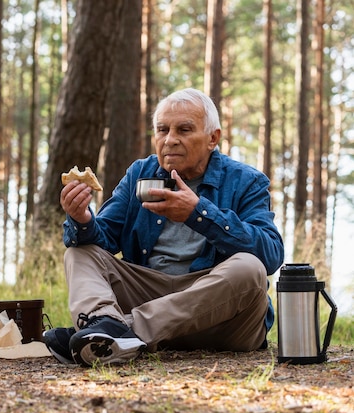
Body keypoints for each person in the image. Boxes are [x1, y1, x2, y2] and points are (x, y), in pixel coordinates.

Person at [43, 88, 284, 366]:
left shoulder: (247, 181)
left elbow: (270, 254)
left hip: (219, 318)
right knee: (79, 252)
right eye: (162, 130)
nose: (170, 140)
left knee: (249, 268)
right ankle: (104, 324)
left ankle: (117, 331)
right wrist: (82, 219)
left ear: (212, 138)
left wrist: (198, 214)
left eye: (184, 130)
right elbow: (104, 238)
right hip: (150, 291)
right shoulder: (140, 173)